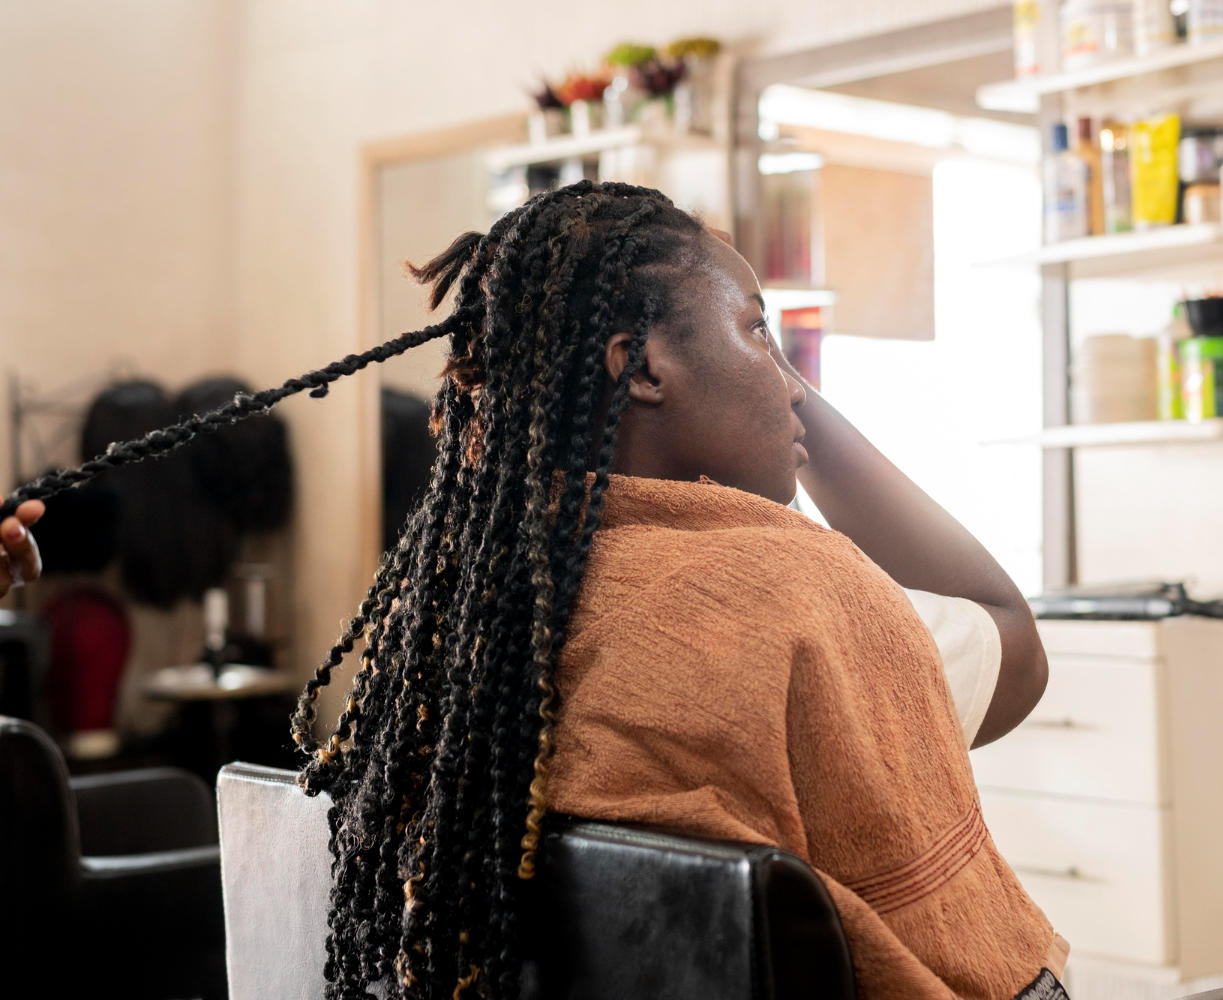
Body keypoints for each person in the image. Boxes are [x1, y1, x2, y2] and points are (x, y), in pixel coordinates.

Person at [1, 181, 1065, 1000]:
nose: (782, 378)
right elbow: (1013, 638)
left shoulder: (472, 616)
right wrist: (798, 424)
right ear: (642, 367)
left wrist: (749, 365)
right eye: (756, 330)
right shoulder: (793, 594)